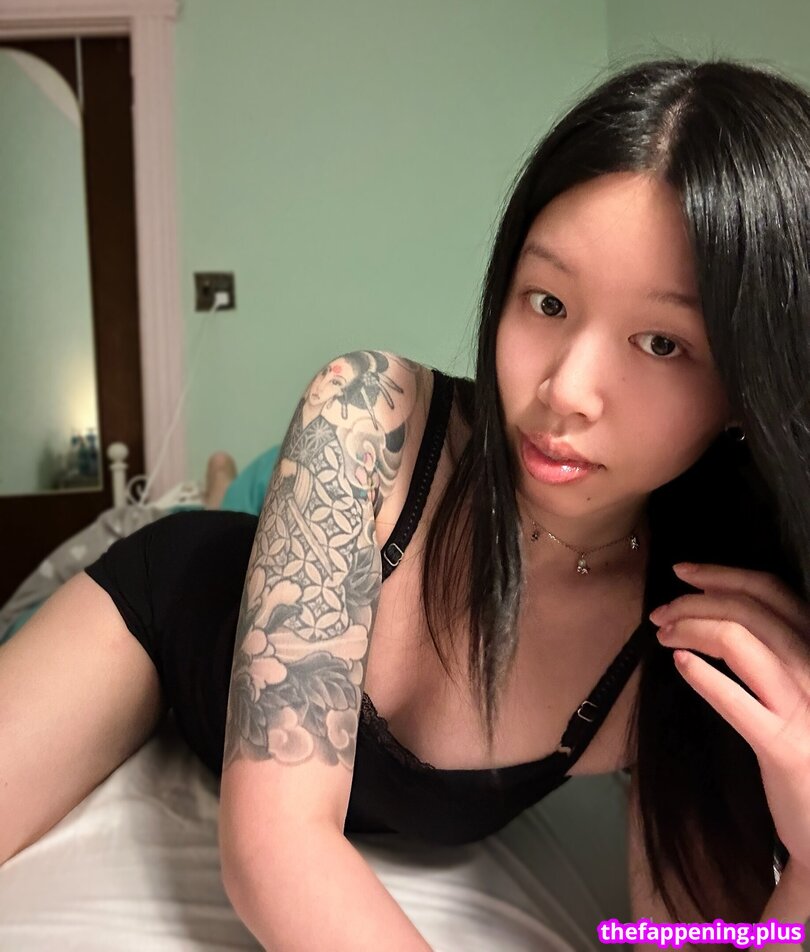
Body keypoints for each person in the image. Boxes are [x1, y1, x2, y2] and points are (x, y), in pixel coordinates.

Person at [1, 58, 809, 949]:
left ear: (747, 387)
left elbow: (699, 938)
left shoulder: (710, 618)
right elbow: (276, 846)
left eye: (660, 343)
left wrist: (808, 865)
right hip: (167, 622)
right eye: (547, 301)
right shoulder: (366, 408)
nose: (566, 389)